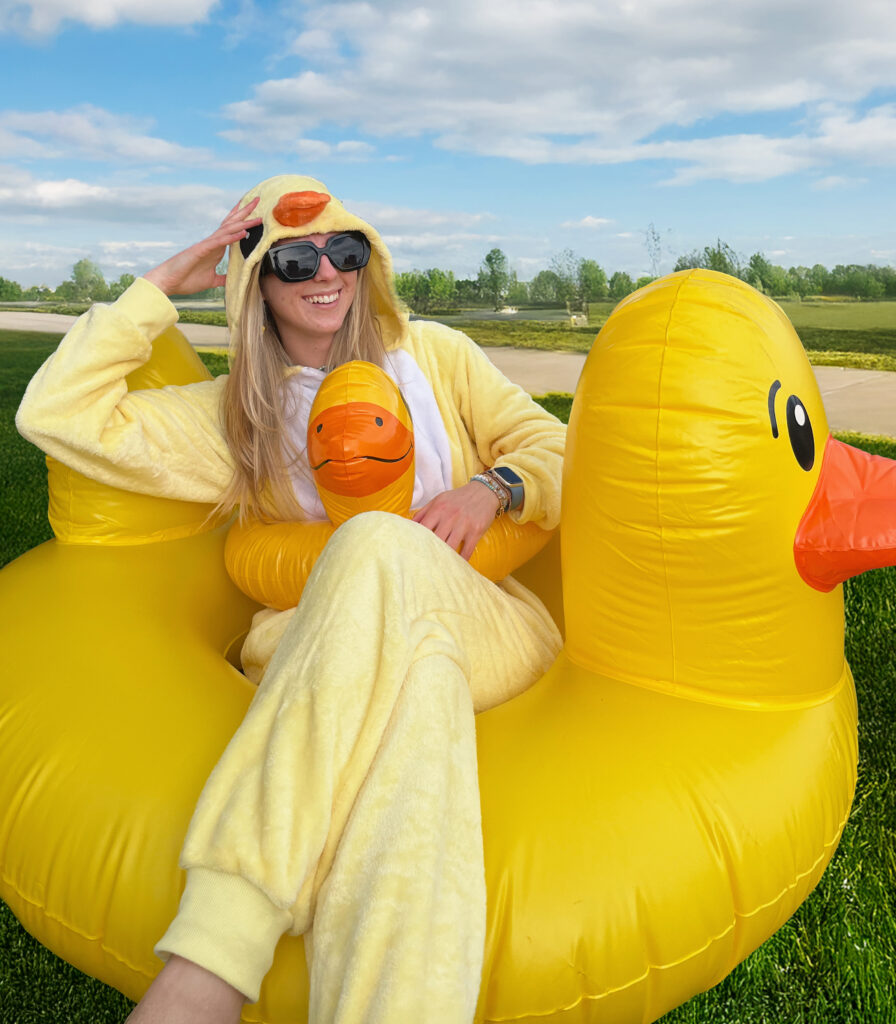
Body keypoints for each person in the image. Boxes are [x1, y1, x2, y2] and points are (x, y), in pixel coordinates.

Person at [16, 174, 565, 1024]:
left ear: (366, 262)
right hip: (321, 650)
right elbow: (57, 414)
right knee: (414, 694)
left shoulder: (439, 356)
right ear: (254, 284)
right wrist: (162, 285)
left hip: (485, 621)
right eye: (293, 258)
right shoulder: (235, 415)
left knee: (380, 541)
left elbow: (554, 445)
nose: (326, 272)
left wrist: (492, 489)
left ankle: (212, 958)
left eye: (344, 251)